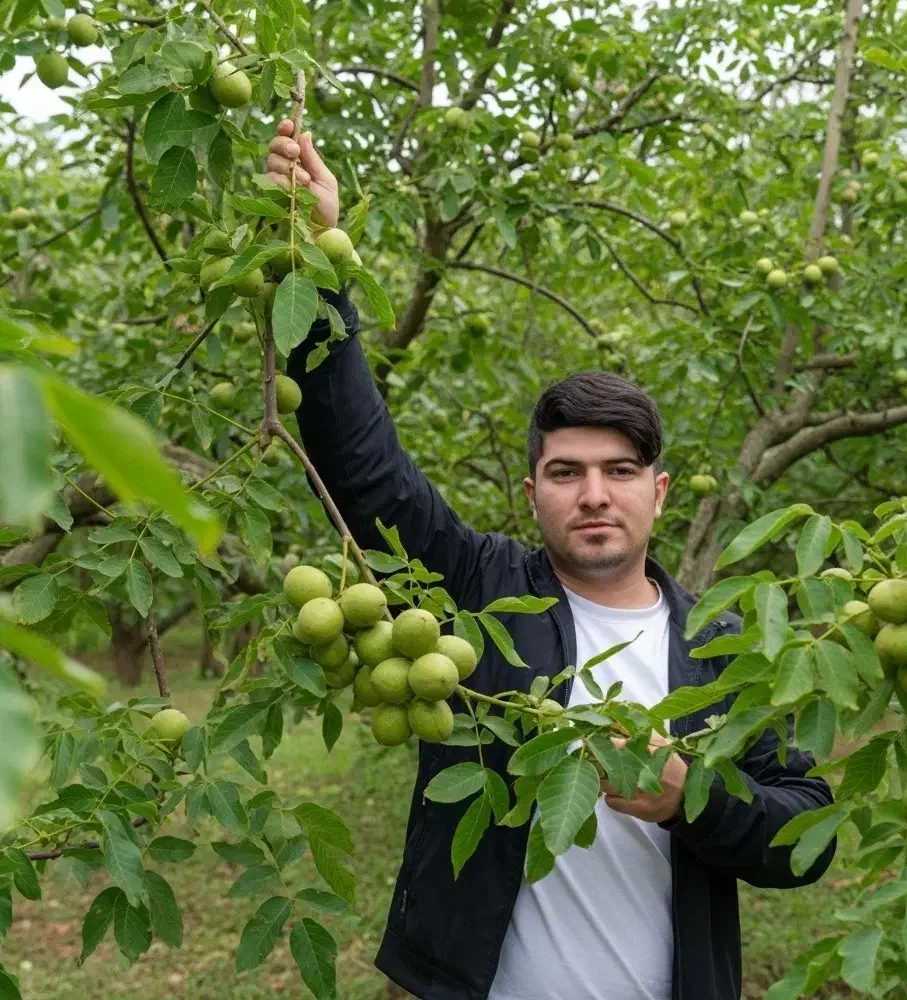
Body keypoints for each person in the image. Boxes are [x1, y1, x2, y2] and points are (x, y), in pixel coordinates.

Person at [266, 122, 837, 1000]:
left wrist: (696, 798)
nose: (595, 495)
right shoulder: (478, 590)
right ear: (533, 495)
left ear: (661, 492)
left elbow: (809, 834)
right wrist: (318, 266)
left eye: (620, 472)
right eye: (565, 473)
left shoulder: (725, 648)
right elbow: (361, 467)